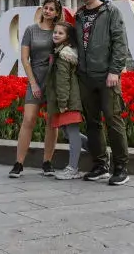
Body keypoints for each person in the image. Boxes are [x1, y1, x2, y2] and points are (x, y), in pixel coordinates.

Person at [75, 0, 130, 185]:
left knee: (113, 120)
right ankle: (100, 165)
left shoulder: (111, 12)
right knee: (92, 122)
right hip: (85, 77)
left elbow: (120, 43)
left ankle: (121, 167)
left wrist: (115, 71)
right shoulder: (80, 16)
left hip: (107, 76)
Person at [8, 0, 61, 178]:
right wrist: (33, 83)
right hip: (35, 79)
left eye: (51, 9)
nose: (47, 11)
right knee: (29, 119)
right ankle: (18, 163)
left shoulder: (59, 31)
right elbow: (24, 58)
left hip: (53, 81)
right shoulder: (31, 30)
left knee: (52, 123)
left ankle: (47, 162)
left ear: (56, 13)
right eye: (45, 8)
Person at [45, 21, 85, 180]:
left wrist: (62, 103)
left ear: (68, 37)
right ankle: (99, 152)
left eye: (60, 33)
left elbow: (63, 82)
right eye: (55, 32)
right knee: (68, 132)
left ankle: (73, 168)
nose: (56, 35)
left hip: (67, 101)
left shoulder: (63, 55)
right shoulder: (61, 52)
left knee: (72, 132)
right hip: (68, 99)